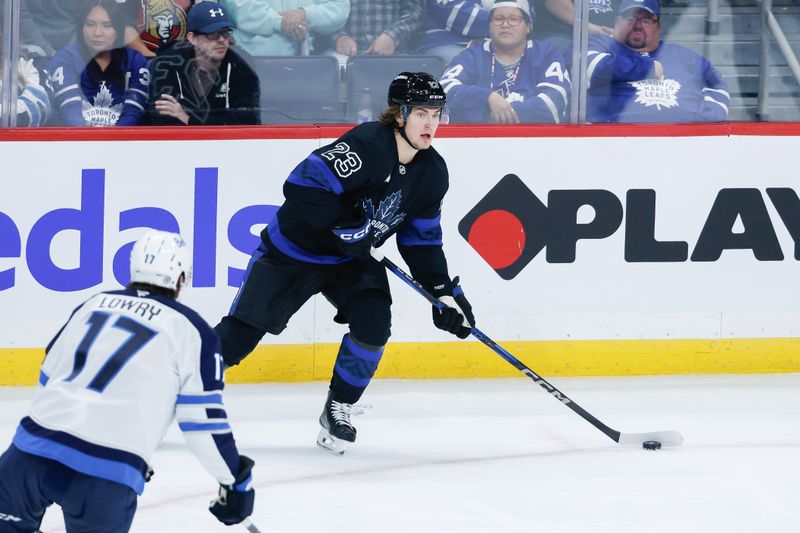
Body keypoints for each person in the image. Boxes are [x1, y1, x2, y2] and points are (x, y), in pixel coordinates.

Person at [214, 72, 476, 456]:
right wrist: (345, 224)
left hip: (352, 260)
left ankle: (338, 407)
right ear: (399, 115)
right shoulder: (368, 143)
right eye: (421, 113)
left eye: (437, 114)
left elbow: (422, 244)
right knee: (237, 341)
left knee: (373, 324)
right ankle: (172, 383)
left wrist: (442, 293)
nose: (430, 124)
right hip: (293, 252)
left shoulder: (433, 173)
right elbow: (300, 185)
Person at [0, 230, 255, 532]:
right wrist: (235, 481)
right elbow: (203, 424)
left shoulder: (93, 304)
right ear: (181, 279)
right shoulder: (193, 331)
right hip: (105, 476)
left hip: (26, 458)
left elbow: (48, 378)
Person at [586, 0, 730, 123]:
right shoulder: (601, 45)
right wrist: (647, 67)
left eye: (646, 20)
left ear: (658, 26)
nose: (637, 25)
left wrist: (706, 120)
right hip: (611, 140)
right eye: (630, 18)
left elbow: (717, 84)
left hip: (681, 141)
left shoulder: (683, 56)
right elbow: (593, 68)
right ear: (618, 22)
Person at [440, 0, 571, 124]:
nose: (505, 24)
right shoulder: (473, 55)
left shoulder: (545, 53)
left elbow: (557, 97)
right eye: (498, 19)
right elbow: (444, 89)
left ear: (528, 26)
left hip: (533, 141)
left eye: (514, 19)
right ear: (489, 26)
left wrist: (505, 114)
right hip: (478, 141)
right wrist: (488, 97)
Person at [147, 2, 261, 125]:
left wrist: (187, 118)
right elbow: (160, 121)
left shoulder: (241, 67)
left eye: (225, 33)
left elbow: (248, 122)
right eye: (213, 34)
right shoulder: (168, 64)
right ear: (192, 38)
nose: (222, 40)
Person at [48, 0, 150, 126]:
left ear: (118, 29)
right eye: (90, 24)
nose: (97, 33)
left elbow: (133, 112)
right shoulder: (65, 58)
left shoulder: (136, 61)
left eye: (107, 25)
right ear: (81, 27)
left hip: (121, 142)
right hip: (77, 141)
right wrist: (89, 141)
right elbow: (70, 108)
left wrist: (111, 141)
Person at [219, 0, 349, 56]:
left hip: (306, 65)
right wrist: (281, 22)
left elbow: (340, 7)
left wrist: (304, 13)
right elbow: (239, 6)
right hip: (251, 60)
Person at [332, 0, 425, 58]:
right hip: (341, 57)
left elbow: (416, 12)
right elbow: (321, 11)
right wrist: (339, 37)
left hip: (395, 54)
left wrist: (392, 36)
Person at [417, 0, 492, 66]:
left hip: (482, 44)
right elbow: (452, 10)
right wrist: (498, 22)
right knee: (474, 68)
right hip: (445, 42)